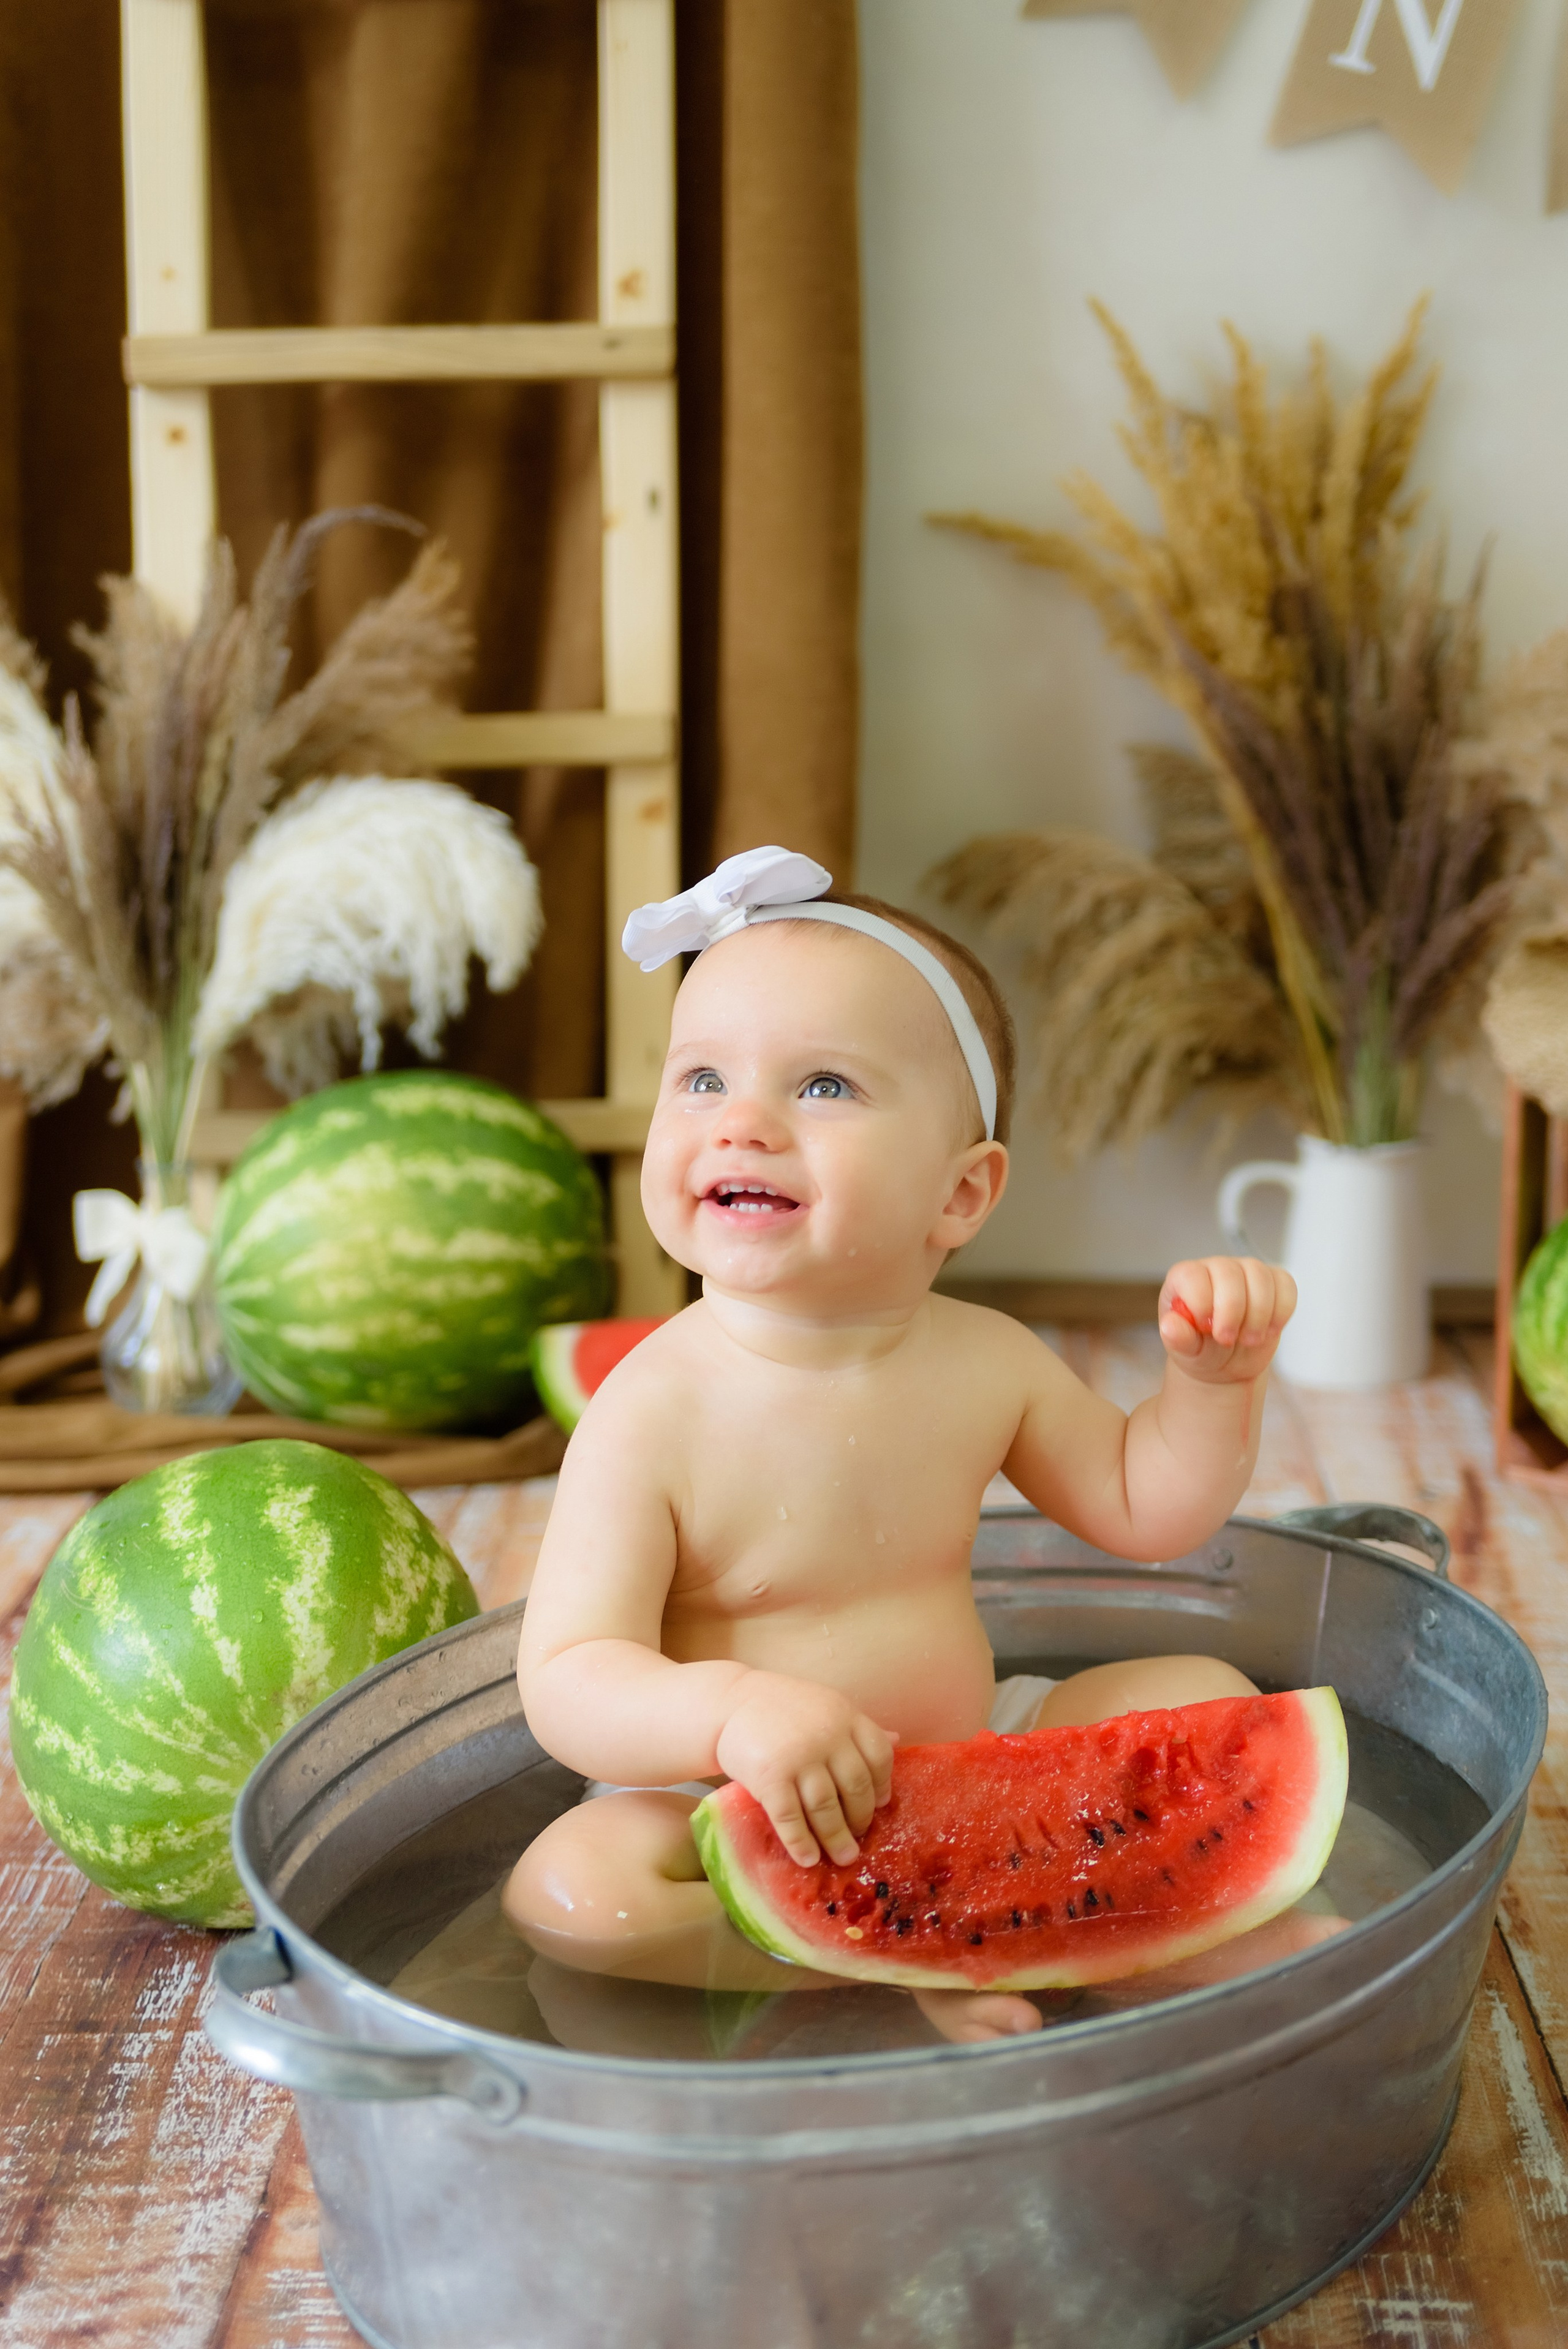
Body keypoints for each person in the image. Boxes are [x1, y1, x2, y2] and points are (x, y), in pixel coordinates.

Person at [504, 848, 1302, 2043]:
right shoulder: (649, 1407)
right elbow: (567, 1677)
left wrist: (1209, 1384)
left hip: (974, 1754)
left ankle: (1122, 1913)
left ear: (962, 1194)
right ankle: (864, 1960)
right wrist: (730, 1715)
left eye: (821, 1086)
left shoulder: (986, 1359)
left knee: (1206, 1699)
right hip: (715, 1794)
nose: (744, 1123)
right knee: (575, 1893)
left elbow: (1147, 1508)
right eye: (702, 1079)